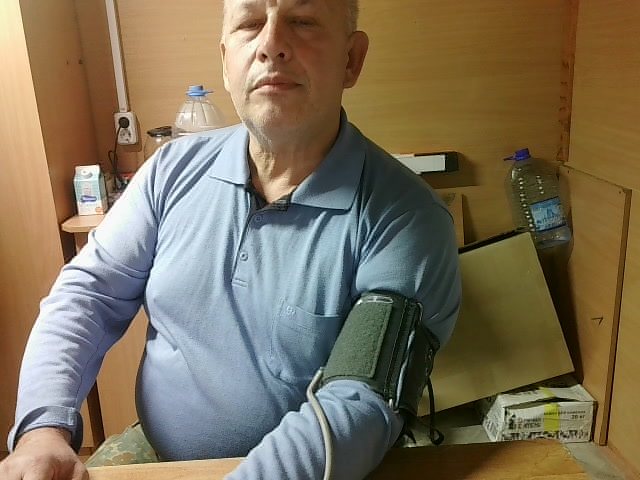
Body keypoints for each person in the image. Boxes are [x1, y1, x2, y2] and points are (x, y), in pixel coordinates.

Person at [1, 0, 461, 479]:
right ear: (225, 60)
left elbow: (359, 403)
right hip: (156, 455)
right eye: (250, 23)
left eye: (302, 22)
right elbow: (87, 294)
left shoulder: (408, 218)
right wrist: (42, 431)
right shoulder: (170, 171)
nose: (271, 45)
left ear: (351, 59)